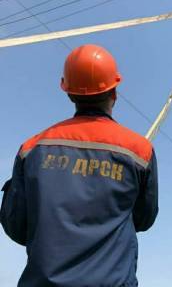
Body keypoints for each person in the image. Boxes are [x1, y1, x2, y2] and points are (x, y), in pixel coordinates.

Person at [0, 44, 158, 287]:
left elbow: (16, 225)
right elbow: (144, 219)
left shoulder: (32, 148)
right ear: (114, 92)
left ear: (68, 92)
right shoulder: (139, 150)